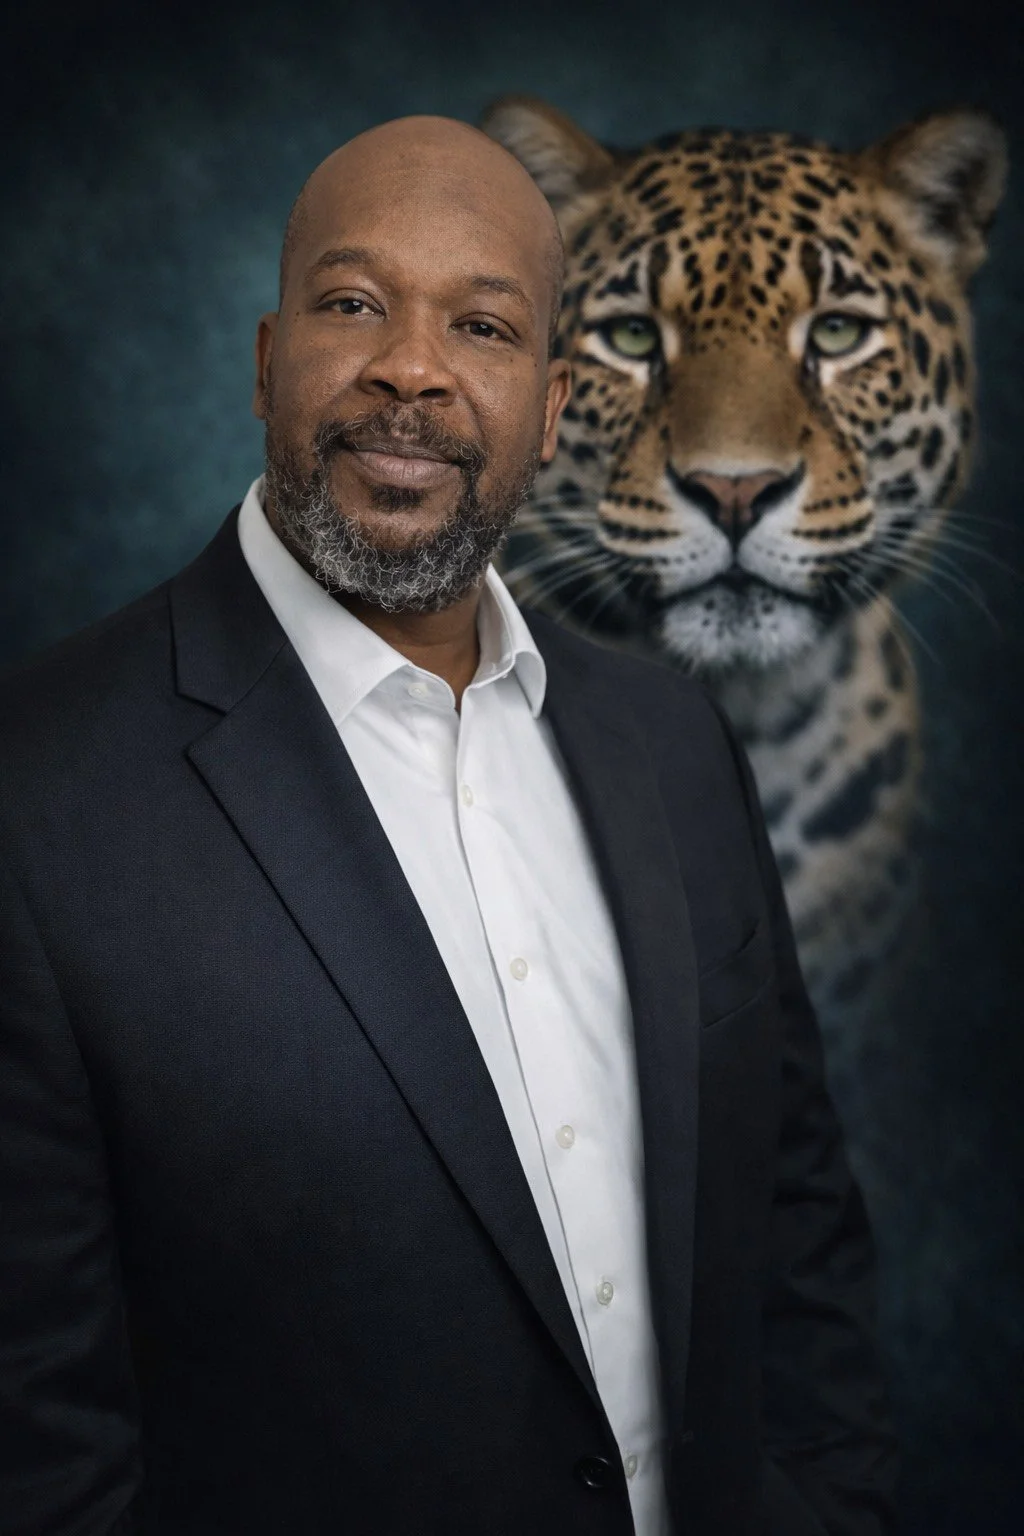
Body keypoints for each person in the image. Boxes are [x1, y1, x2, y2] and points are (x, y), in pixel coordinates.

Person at [0, 116, 898, 1536]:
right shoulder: (36, 794)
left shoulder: (673, 743)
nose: (411, 368)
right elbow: (39, 1444)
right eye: (354, 303)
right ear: (264, 360)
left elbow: (796, 1240)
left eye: (481, 324)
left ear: (550, 406)